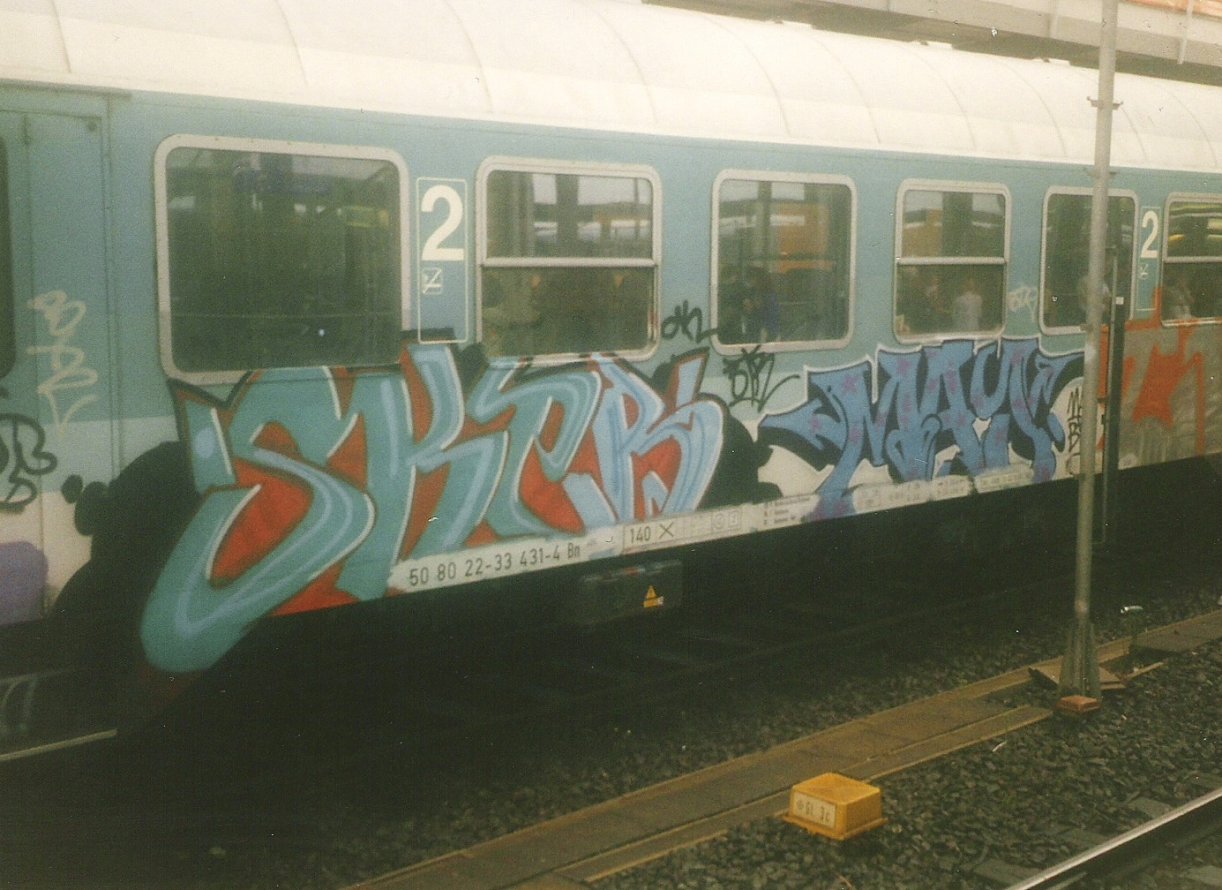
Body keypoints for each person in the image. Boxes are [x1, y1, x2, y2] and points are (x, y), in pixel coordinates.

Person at [743, 266, 781, 342]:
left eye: (751, 278)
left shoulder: (767, 295)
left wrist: (751, 305)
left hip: (765, 331)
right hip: (758, 329)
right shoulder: (754, 291)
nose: (749, 281)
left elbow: (770, 315)